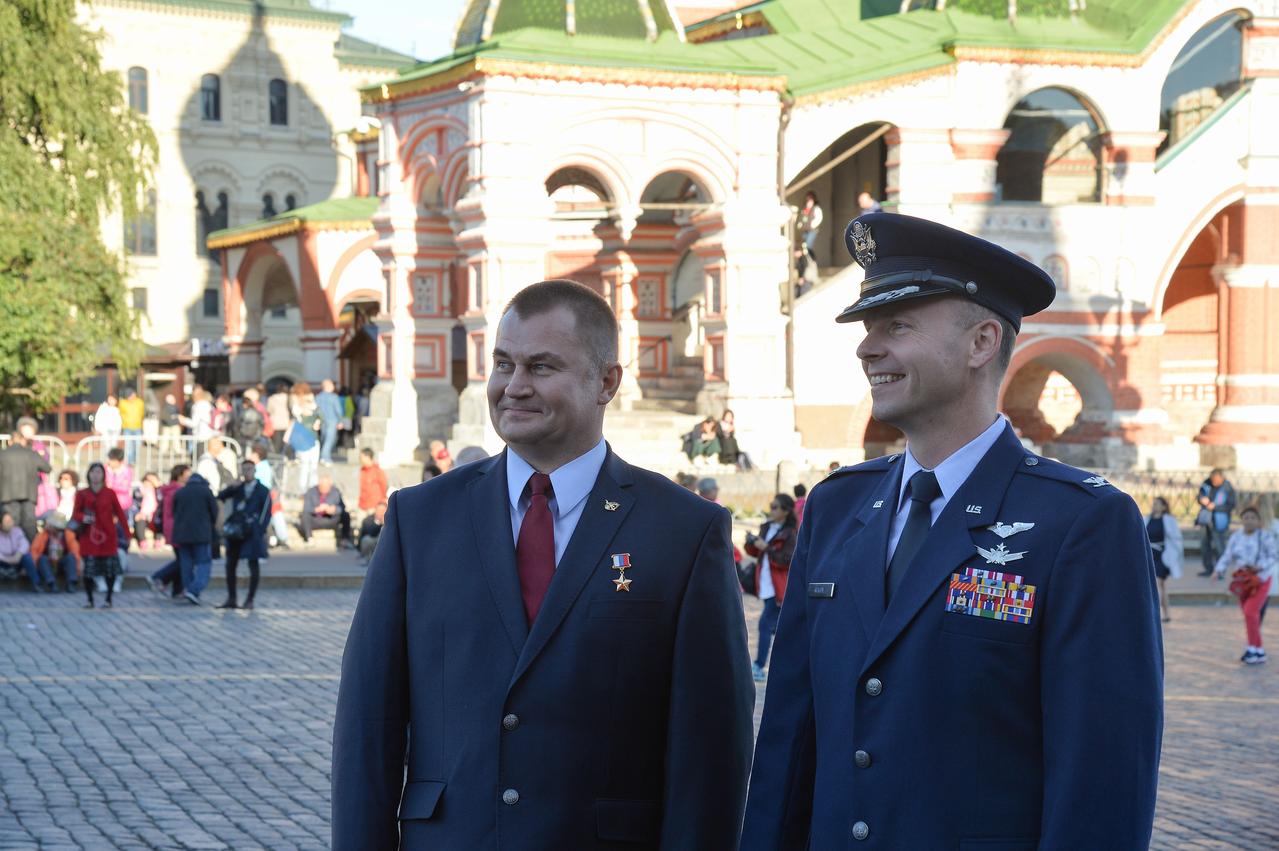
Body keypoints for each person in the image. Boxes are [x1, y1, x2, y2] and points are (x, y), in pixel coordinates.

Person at [742, 213, 1162, 849]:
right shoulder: (836, 508)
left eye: (898, 326)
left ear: (981, 342)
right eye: (867, 328)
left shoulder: (1080, 524)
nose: (866, 348)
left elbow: (1100, 781)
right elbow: (789, 743)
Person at [332, 279, 754, 850]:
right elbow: (368, 725)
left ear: (606, 382)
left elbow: (711, 750)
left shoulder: (683, 529)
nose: (514, 387)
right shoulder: (420, 519)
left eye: (541, 367)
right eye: (504, 364)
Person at [1213, 505, 1278, 665]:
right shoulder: (1237, 537)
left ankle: (1252, 647)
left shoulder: (1265, 537)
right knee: (1250, 615)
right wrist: (1218, 570)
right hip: (1243, 581)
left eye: (1252, 518)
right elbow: (1228, 555)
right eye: (1246, 518)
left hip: (1260, 580)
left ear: (1259, 521)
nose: (1249, 521)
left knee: (1251, 612)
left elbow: (1273, 556)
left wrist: (1260, 567)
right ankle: (1258, 650)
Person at [744, 493, 798, 683]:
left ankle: (759, 666)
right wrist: (751, 543)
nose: (771, 510)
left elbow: (787, 560)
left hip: (779, 585)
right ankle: (788, 664)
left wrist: (766, 547)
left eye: (775, 507)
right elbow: (754, 552)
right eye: (771, 506)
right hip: (765, 582)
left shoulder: (791, 532)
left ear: (785, 511)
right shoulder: (766, 526)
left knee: (765, 624)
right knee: (777, 626)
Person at [70, 462, 129, 609]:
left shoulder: (110, 493)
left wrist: (127, 533)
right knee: (89, 569)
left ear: (103, 475)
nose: (96, 475)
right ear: (88, 474)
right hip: (89, 536)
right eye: (93, 472)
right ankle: (90, 599)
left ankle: (108, 598)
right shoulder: (82, 494)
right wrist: (84, 517)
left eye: (99, 472)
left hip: (108, 536)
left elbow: (120, 513)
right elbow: (75, 514)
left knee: (110, 569)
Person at [215, 459, 272, 609]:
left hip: (252, 532)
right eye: (244, 469)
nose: (247, 472)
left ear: (254, 471)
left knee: (253, 564)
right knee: (230, 564)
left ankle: (250, 599)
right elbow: (220, 496)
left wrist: (259, 529)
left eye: (249, 469)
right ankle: (232, 598)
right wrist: (232, 486)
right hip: (236, 530)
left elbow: (266, 514)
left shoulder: (262, 490)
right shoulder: (238, 488)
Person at [0, 417, 51, 543]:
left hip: (8, 496)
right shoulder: (31, 453)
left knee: (12, 526)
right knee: (29, 527)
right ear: (23, 440)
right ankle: (30, 553)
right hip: (29, 495)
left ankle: (12, 554)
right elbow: (47, 468)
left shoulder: (2, 454)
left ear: (10, 441)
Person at [170, 470, 218, 605]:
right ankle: (194, 589)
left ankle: (188, 588)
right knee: (204, 563)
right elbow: (214, 512)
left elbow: (174, 512)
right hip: (201, 533)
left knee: (186, 563)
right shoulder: (206, 491)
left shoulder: (180, 492)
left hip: (182, 534)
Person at [147, 465, 191, 598]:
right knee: (184, 560)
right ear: (180, 475)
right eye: (187, 474)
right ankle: (159, 577)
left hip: (170, 527)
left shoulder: (169, 490)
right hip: (177, 528)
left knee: (181, 558)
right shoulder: (178, 491)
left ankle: (177, 589)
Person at [1147, 496, 1182, 623]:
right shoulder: (1147, 519)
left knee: (1158, 582)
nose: (1154, 506)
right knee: (1161, 585)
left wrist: (1174, 555)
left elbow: (1175, 538)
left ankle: (1156, 613)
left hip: (1163, 556)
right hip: (1149, 555)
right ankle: (1166, 613)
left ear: (1163, 507)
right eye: (1154, 503)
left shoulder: (1168, 520)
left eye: (1157, 504)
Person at [1196, 468, 1236, 576]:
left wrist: (1215, 507)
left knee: (1219, 547)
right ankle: (1208, 569)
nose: (1214, 482)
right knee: (1205, 545)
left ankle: (1220, 571)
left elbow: (1231, 505)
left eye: (1216, 480)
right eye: (1212, 479)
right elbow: (1199, 496)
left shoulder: (1228, 488)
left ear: (1222, 478)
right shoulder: (1206, 484)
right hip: (1206, 520)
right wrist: (1201, 499)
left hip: (1220, 521)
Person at [0, 510, 50, 591]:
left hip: (16, 560)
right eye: (7, 521)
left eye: (11, 520)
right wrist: (8, 559)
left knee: (26, 557)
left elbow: (24, 544)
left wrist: (18, 555)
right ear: (1, 525)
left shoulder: (17, 531)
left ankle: (37, 583)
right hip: (3, 562)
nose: (11, 523)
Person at [299, 472, 352, 547]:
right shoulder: (311, 491)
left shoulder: (335, 491)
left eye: (326, 487)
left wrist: (333, 509)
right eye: (322, 486)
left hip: (331, 519)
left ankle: (345, 540)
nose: (324, 489)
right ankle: (309, 539)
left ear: (330, 486)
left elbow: (342, 507)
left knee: (345, 515)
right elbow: (306, 508)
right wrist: (316, 509)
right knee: (305, 516)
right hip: (316, 519)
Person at [32, 511, 80, 592]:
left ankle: (71, 583)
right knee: (42, 558)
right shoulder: (42, 535)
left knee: (71, 557)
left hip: (62, 561)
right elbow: (34, 550)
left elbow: (75, 552)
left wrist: (78, 566)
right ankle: (52, 584)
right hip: (48, 562)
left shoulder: (69, 535)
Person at [285, 416, 319, 493]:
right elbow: (286, 439)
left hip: (311, 446)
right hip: (307, 448)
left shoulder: (296, 425)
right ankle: (303, 490)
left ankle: (311, 489)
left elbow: (286, 439)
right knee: (306, 468)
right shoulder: (296, 426)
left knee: (311, 468)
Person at [315, 379, 343, 463]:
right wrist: (340, 421)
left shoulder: (318, 397)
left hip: (322, 420)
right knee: (330, 439)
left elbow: (316, 410)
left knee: (324, 438)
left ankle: (322, 455)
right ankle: (325, 457)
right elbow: (338, 410)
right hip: (332, 420)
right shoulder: (334, 397)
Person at [357, 448, 388, 516]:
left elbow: (384, 487)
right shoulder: (362, 470)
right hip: (362, 505)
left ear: (367, 457)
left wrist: (381, 504)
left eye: (361, 457)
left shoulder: (378, 471)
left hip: (374, 505)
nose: (360, 459)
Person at [118, 387, 145, 465]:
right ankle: (130, 461)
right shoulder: (123, 403)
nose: (131, 397)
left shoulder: (140, 402)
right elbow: (121, 414)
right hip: (127, 427)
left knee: (137, 444)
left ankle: (135, 459)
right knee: (129, 445)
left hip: (138, 427)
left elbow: (142, 414)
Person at [266, 384, 292, 454]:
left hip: (275, 423)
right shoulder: (289, 398)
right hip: (286, 422)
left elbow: (269, 410)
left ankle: (277, 458)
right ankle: (286, 457)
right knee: (286, 442)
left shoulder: (271, 398)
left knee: (276, 443)